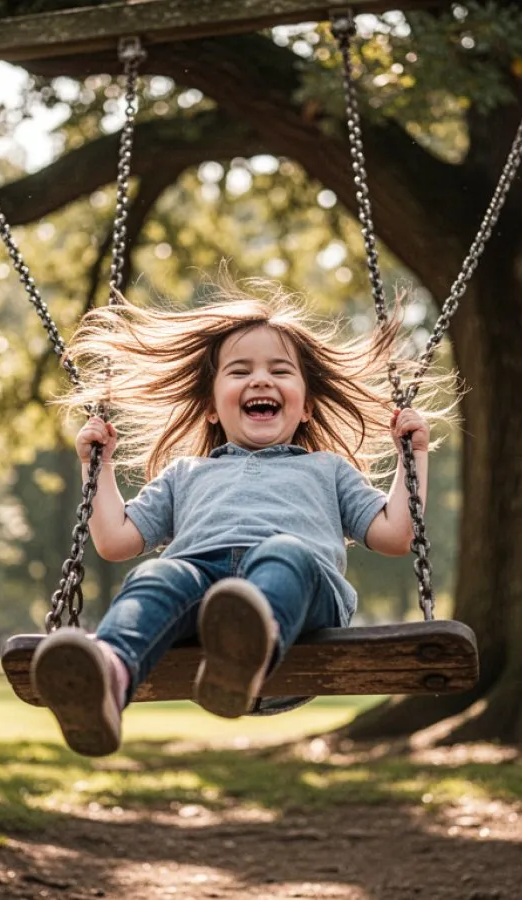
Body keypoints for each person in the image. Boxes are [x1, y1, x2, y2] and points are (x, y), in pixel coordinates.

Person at [32, 280, 453, 757]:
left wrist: (412, 456)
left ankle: (250, 648)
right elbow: (114, 540)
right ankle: (107, 676)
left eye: (280, 370)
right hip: (205, 596)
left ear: (307, 405)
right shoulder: (186, 474)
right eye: (239, 371)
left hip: (301, 603)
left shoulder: (328, 469)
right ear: (211, 407)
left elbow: (397, 534)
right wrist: (98, 465)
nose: (261, 380)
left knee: (284, 553)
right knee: (158, 575)